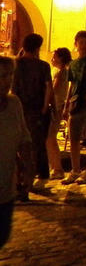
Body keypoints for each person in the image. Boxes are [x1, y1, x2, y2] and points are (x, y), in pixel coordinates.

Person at [12, 33, 52, 192]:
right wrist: (45, 107)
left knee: (21, 144)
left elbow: (13, 88)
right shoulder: (43, 66)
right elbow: (48, 87)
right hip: (36, 109)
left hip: (21, 107)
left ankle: (23, 177)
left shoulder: (17, 64)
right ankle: (41, 175)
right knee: (37, 143)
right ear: (37, 47)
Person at [0, 56, 31, 248]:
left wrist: (27, 168)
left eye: (10, 75)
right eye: (2, 76)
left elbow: (24, 139)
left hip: (5, 191)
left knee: (2, 236)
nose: (7, 81)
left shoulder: (14, 104)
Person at [63, 30, 86, 185]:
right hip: (76, 103)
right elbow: (71, 85)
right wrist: (66, 104)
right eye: (80, 42)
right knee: (74, 138)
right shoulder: (73, 64)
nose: (83, 46)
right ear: (76, 44)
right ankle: (75, 169)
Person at [46, 47, 71, 180]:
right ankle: (54, 166)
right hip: (58, 107)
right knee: (50, 138)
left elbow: (52, 90)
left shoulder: (61, 72)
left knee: (50, 138)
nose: (52, 58)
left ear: (60, 58)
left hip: (56, 107)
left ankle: (57, 168)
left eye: (55, 56)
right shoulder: (62, 71)